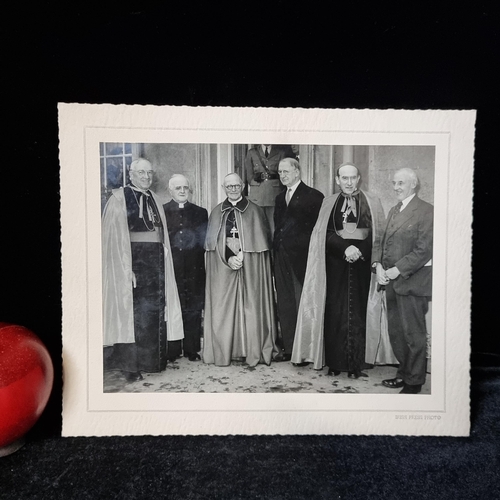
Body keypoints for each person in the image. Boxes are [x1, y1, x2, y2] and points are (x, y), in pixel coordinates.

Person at [291, 163, 386, 376]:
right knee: (334, 313)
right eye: (345, 178)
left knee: (359, 313)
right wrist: (345, 247)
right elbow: (323, 234)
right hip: (335, 266)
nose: (349, 182)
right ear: (337, 180)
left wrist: (358, 250)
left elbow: (377, 234)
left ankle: (355, 365)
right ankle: (335, 363)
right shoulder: (329, 202)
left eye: (353, 178)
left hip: (362, 265)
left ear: (359, 178)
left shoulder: (373, 202)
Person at [102, 158, 183, 382]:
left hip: (156, 265)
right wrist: (126, 269)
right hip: (133, 266)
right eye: (141, 173)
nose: (146, 177)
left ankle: (153, 362)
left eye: (149, 173)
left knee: (153, 313)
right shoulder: (119, 199)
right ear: (130, 174)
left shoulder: (155, 198)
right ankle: (131, 367)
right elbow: (116, 242)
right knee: (134, 317)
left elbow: (161, 235)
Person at [203, 173, 278, 367]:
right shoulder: (216, 211)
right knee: (223, 308)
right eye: (229, 186)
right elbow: (213, 244)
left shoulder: (255, 210)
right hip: (224, 265)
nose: (233, 189)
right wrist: (228, 258)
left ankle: (251, 350)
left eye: (237, 185)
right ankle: (227, 350)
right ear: (223, 187)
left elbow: (259, 241)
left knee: (252, 306)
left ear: (243, 186)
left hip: (249, 265)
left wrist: (244, 255)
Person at [374, 168, 433, 394]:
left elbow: (423, 250)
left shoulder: (426, 211)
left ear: (413, 185)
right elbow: (381, 241)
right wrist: (377, 266)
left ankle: (414, 382)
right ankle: (404, 373)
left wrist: (397, 270)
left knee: (413, 334)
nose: (396, 187)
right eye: (394, 183)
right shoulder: (394, 210)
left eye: (401, 183)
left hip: (411, 283)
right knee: (397, 334)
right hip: (391, 282)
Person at [273, 158, 324, 363]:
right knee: (285, 302)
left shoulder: (314, 196)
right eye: (280, 172)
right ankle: (289, 348)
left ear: (297, 171)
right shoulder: (279, 198)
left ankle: (306, 351)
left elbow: (317, 231)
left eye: (286, 171)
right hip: (281, 255)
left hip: (302, 257)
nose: (282, 175)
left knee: (303, 301)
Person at [163, 174, 208, 362]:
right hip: (172, 267)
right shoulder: (163, 211)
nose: (182, 191)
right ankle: (173, 349)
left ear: (190, 190)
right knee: (173, 306)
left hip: (194, 268)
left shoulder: (200, 212)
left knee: (193, 308)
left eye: (185, 188)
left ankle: (191, 349)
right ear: (170, 191)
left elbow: (203, 240)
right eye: (178, 188)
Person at [243, 144, 295, 234]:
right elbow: (249, 175)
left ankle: (273, 247)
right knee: (257, 224)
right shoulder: (252, 152)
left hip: (274, 192)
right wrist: (254, 184)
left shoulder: (280, 153)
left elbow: (282, 174)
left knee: (273, 225)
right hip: (257, 193)